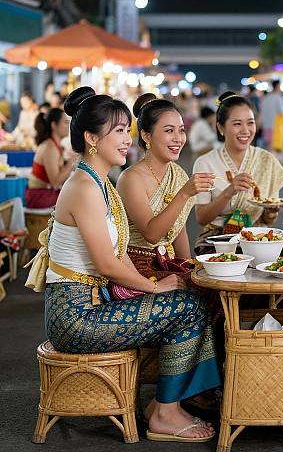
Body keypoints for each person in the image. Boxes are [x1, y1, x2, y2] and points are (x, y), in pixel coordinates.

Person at [40, 86, 220, 442]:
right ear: (92, 138)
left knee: (190, 299)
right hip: (75, 316)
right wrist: (155, 286)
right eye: (119, 131)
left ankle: (168, 404)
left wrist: (166, 282)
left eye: (126, 129)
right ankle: (166, 412)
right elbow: (108, 264)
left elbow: (118, 252)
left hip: (95, 304)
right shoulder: (84, 187)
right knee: (187, 308)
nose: (127, 139)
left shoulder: (99, 182)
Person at [117, 93, 215, 280]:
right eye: (169, 131)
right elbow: (152, 234)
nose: (178, 138)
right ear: (146, 135)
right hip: (138, 267)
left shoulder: (177, 174)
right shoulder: (131, 178)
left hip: (169, 262)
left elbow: (178, 230)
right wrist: (184, 194)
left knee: (212, 285)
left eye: (181, 130)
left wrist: (188, 270)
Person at [193, 91, 283, 254]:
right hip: (218, 240)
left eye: (250, 123)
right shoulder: (205, 163)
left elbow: (269, 221)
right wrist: (228, 192)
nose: (246, 130)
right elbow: (201, 218)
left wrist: (271, 211)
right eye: (237, 124)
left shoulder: (267, 160)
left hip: (258, 237)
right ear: (220, 127)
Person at [25, 108, 75, 209]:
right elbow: (55, 182)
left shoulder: (54, 145)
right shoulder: (50, 147)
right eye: (65, 122)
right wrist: (71, 162)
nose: (68, 126)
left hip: (44, 193)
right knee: (77, 199)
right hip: (39, 196)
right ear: (54, 125)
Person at [260, 80, 283, 150]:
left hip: (266, 127)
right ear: (278, 86)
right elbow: (282, 112)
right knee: (275, 151)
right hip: (276, 128)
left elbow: (261, 112)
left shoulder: (265, 98)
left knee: (268, 149)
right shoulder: (278, 98)